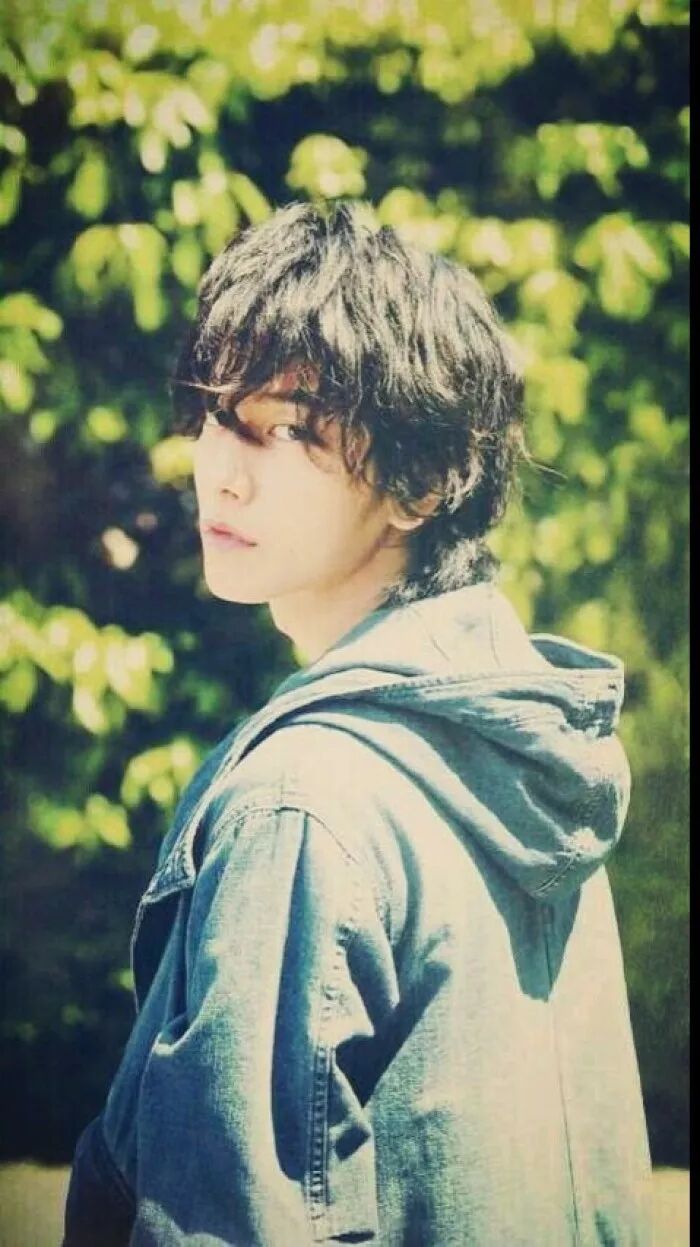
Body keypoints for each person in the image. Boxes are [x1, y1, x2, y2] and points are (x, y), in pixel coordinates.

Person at [63, 201, 651, 1246]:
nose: (220, 468)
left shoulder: (301, 803)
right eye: (215, 415)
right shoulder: (530, 749)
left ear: (421, 481)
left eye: (287, 429)